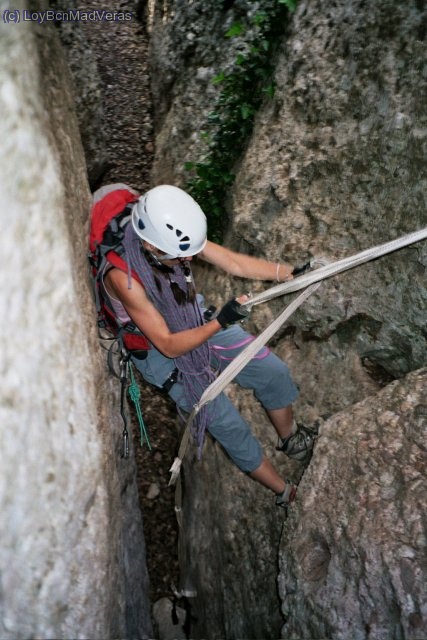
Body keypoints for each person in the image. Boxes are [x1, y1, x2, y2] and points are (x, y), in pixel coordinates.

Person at [92, 183, 318, 508]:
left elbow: (232, 262)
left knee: (271, 371)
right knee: (226, 422)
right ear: (151, 246)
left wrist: (289, 273)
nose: (188, 260)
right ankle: (284, 491)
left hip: (187, 313)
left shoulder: (169, 238)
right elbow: (169, 345)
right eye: (180, 255)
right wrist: (219, 322)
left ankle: (291, 438)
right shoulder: (122, 278)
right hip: (158, 350)